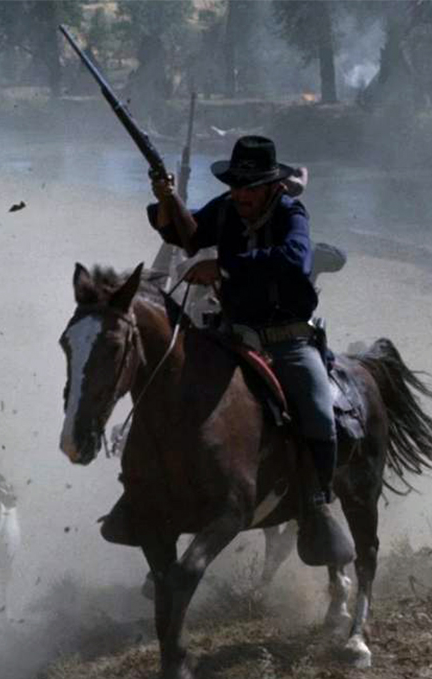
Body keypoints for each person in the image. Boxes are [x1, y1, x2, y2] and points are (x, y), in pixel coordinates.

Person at [146, 135, 355, 567]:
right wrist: (167, 199)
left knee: (319, 413)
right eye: (236, 186)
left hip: (287, 339)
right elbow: (187, 235)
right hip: (233, 334)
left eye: (249, 187)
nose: (240, 195)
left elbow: (294, 260)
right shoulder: (226, 208)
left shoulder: (291, 213)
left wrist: (223, 266)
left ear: (272, 186)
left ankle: (316, 503)